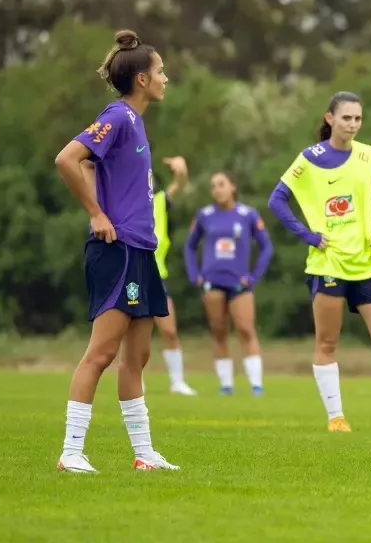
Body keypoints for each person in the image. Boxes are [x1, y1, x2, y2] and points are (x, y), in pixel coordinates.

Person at [267, 91, 371, 434]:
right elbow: (277, 200)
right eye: (346, 118)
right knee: (327, 342)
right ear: (330, 119)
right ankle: (336, 418)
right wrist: (309, 236)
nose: (353, 124)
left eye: (358, 118)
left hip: (368, 263)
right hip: (327, 264)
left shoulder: (370, 157)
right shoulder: (309, 158)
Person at [53, 29, 179, 473]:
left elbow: (90, 166)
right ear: (142, 79)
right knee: (101, 353)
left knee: (137, 358)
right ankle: (71, 452)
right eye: (161, 71)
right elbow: (69, 158)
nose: (166, 78)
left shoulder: (137, 122)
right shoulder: (119, 116)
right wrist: (95, 213)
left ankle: (144, 454)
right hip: (118, 249)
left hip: (142, 251)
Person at [184, 171, 273, 395]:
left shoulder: (248, 214)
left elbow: (266, 247)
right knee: (219, 331)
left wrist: (253, 277)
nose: (217, 189)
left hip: (238, 284)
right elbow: (189, 246)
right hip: (212, 282)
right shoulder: (204, 215)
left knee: (245, 329)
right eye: (213, 186)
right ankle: (226, 384)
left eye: (221, 184)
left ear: (233, 187)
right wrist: (195, 274)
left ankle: (256, 384)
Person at [153, 156, 198, 396]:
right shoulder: (123, 205)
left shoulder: (159, 201)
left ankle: (177, 382)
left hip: (157, 275)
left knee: (169, 330)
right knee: (129, 334)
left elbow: (179, 184)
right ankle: (130, 381)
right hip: (130, 275)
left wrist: (181, 171)